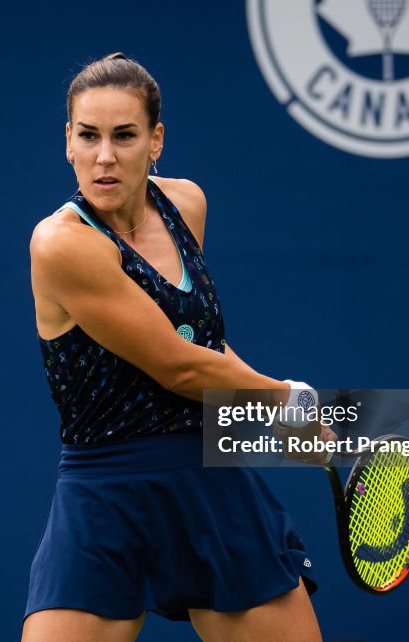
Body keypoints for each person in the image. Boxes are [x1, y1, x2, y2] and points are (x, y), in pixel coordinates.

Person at [23, 53, 335, 642]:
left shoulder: (186, 205)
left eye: (124, 136)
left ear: (156, 140)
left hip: (208, 480)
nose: (104, 156)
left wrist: (279, 410)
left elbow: (202, 344)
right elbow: (173, 364)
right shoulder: (61, 244)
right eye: (87, 136)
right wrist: (288, 401)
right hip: (105, 492)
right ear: (68, 141)